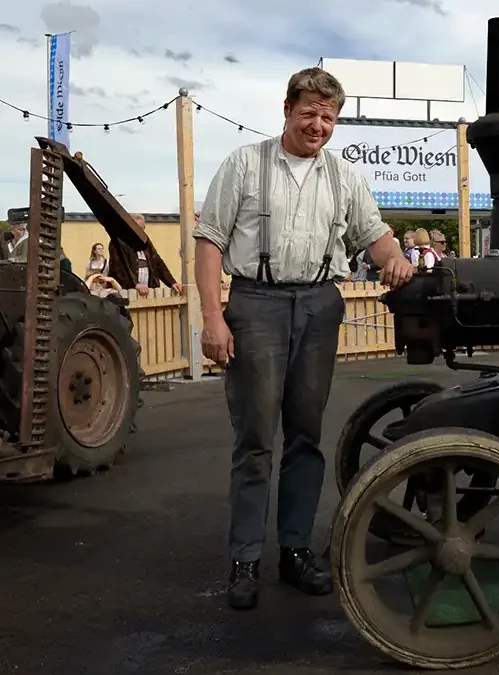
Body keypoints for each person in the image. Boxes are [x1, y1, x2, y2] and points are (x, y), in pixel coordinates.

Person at [192, 66, 414, 612]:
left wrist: (397, 259)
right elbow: (209, 242)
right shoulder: (245, 164)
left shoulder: (344, 177)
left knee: (306, 437)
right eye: (310, 113)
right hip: (256, 303)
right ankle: (245, 559)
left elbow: (374, 235)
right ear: (288, 109)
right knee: (255, 441)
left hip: (319, 306)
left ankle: (294, 551)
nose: (318, 125)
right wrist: (213, 318)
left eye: (329, 117)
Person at [108, 214, 183, 297]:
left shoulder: (145, 240)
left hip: (148, 291)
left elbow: (157, 262)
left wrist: (172, 282)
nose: (141, 231)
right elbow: (119, 268)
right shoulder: (118, 241)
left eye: (142, 228)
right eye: (138, 228)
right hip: (127, 292)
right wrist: (136, 284)